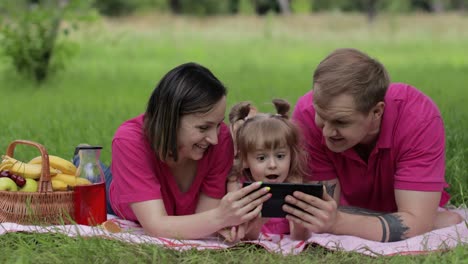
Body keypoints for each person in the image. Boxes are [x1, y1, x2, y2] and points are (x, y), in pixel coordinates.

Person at [285, 48, 463, 242]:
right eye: (321, 115)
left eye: (341, 122)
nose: (326, 132)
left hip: (393, 205)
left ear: (377, 111)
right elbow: (323, 214)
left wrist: (338, 223)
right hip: (370, 210)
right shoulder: (306, 115)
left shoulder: (418, 118)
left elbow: (416, 223)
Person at [91, 62, 271, 239]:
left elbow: (203, 220)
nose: (214, 139)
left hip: (170, 208)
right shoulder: (130, 140)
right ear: (171, 120)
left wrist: (233, 225)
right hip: (119, 201)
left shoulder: (221, 139)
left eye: (217, 125)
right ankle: (84, 159)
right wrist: (220, 218)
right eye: (203, 128)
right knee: (93, 178)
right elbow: (156, 225)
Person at [226, 99, 310, 241]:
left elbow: (299, 238)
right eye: (261, 158)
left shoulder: (293, 182)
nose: (272, 165)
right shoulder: (237, 185)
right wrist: (259, 219)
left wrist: (299, 222)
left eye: (280, 156)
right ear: (245, 160)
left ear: (291, 155)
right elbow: (243, 240)